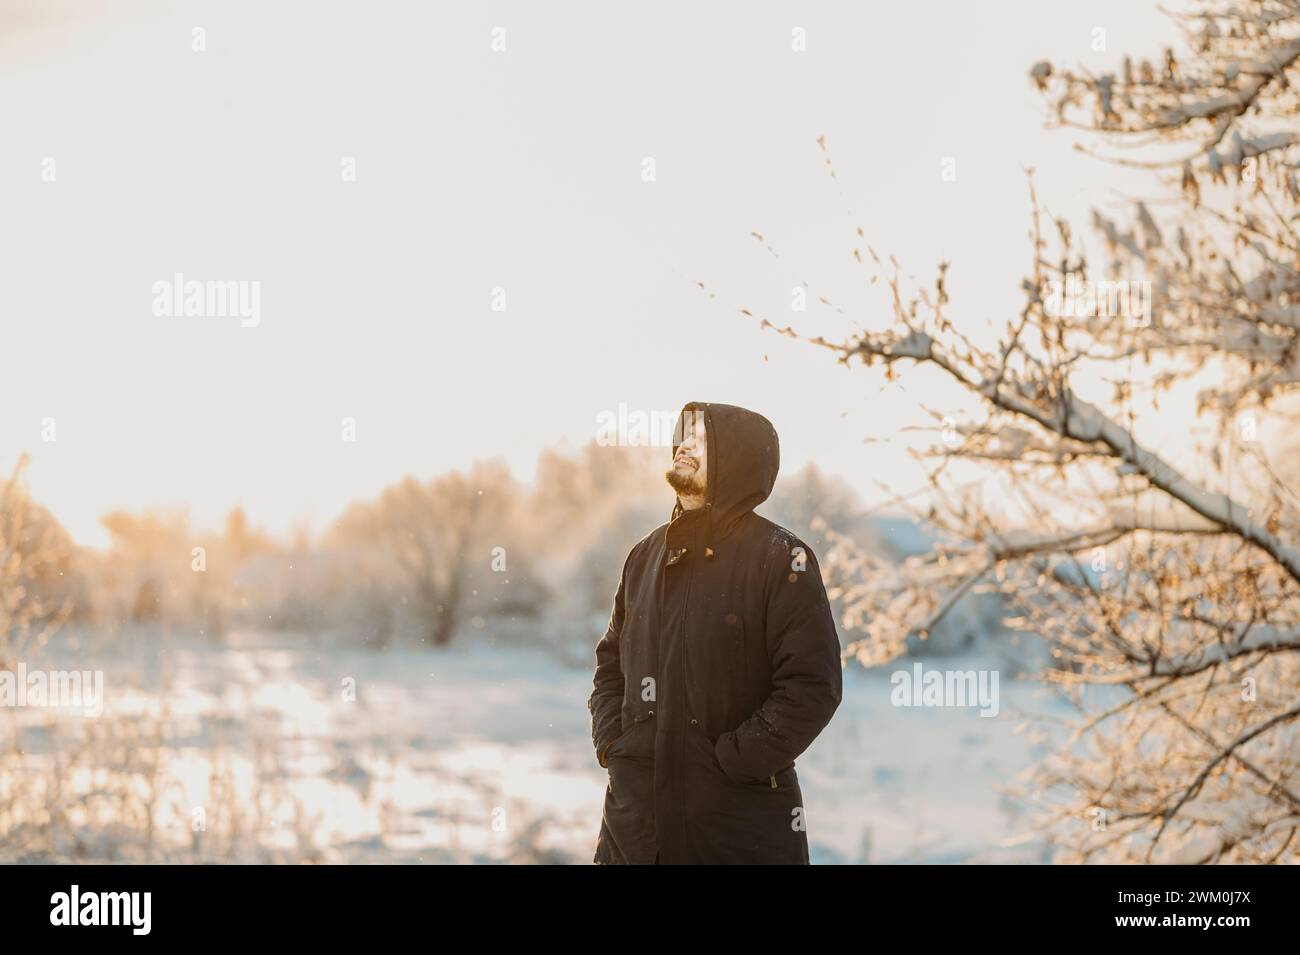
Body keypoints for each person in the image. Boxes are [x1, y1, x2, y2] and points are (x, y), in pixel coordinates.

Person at [587, 401, 843, 864]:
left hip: (737, 833)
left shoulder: (782, 557)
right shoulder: (643, 556)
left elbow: (812, 687)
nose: (684, 446)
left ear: (739, 461)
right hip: (635, 832)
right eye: (683, 436)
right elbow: (610, 666)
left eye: (701, 441)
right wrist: (615, 746)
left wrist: (730, 762)